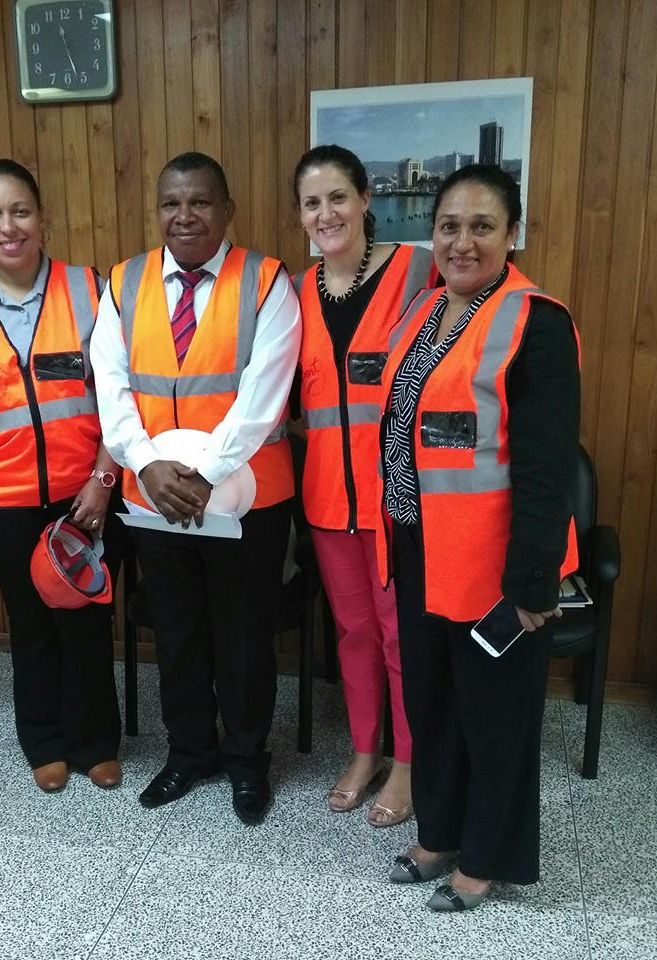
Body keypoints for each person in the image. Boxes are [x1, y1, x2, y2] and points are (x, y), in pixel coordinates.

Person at [376, 164, 580, 910]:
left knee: (494, 719)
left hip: (495, 569)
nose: (462, 242)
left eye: (482, 226)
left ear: (511, 234)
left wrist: (532, 582)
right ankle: (439, 834)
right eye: (449, 226)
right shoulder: (423, 311)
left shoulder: (537, 322)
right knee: (432, 706)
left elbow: (546, 468)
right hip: (417, 548)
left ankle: (485, 858)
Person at [90, 152, 301, 825]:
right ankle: (188, 752)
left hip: (247, 496)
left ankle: (246, 761)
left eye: (200, 202)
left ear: (226, 210)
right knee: (177, 631)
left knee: (243, 635)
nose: (184, 216)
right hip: (154, 497)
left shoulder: (266, 282)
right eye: (171, 203)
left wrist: (206, 473)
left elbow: (265, 393)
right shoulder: (123, 282)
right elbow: (110, 384)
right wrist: (146, 465)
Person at [0, 158, 122, 793]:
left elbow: (118, 398)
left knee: (87, 618)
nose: (8, 226)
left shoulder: (89, 289)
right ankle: (43, 741)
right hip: (3, 498)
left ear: (43, 219)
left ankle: (95, 741)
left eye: (20, 211)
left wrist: (104, 479)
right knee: (32, 623)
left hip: (83, 494)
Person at [292, 145, 433, 826]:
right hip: (326, 500)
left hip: (398, 501)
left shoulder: (417, 271)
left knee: (400, 635)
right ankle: (363, 750)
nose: (326, 214)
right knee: (352, 632)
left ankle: (407, 762)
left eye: (338, 197)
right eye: (312, 203)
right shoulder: (297, 291)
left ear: (365, 199)